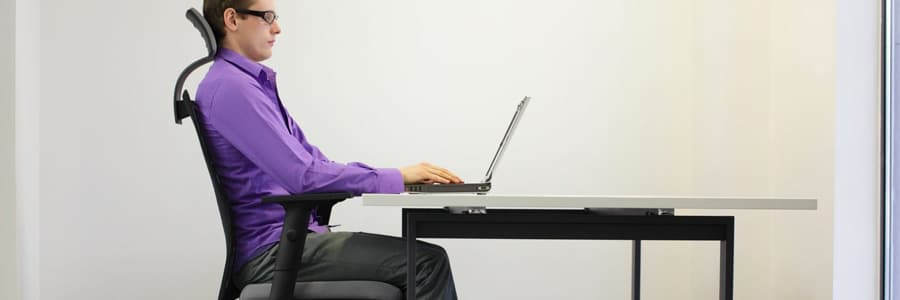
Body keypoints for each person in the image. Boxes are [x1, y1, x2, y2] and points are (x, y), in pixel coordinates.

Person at [195, 0, 462, 298]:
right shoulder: (232, 89)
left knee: (421, 261)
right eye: (267, 16)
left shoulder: (249, 85)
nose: (277, 27)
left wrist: (399, 176)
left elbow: (315, 163)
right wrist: (396, 176)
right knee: (426, 264)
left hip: (291, 242)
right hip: (274, 252)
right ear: (232, 19)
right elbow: (303, 176)